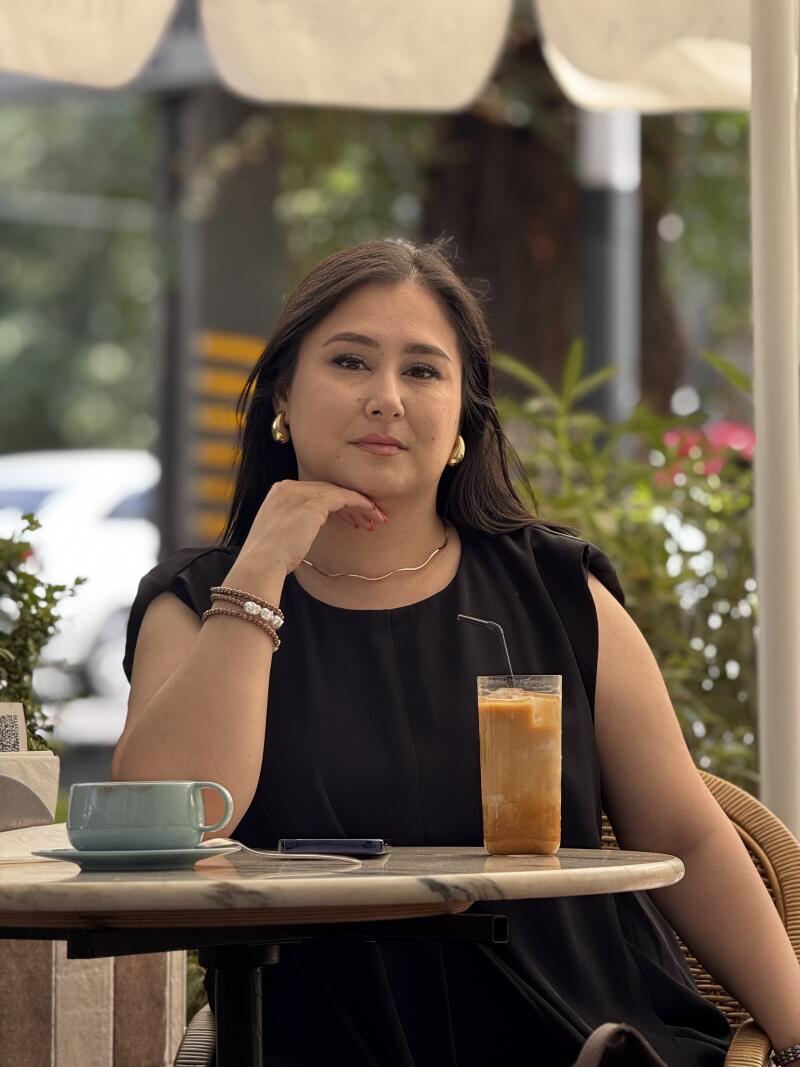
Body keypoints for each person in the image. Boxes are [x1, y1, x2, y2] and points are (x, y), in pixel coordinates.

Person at [114, 239, 798, 1067]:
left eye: (424, 371)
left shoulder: (557, 589)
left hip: (583, 1037)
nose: (386, 398)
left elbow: (688, 834)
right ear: (282, 399)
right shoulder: (197, 602)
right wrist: (260, 571)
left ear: (463, 424)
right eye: (350, 361)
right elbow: (172, 827)